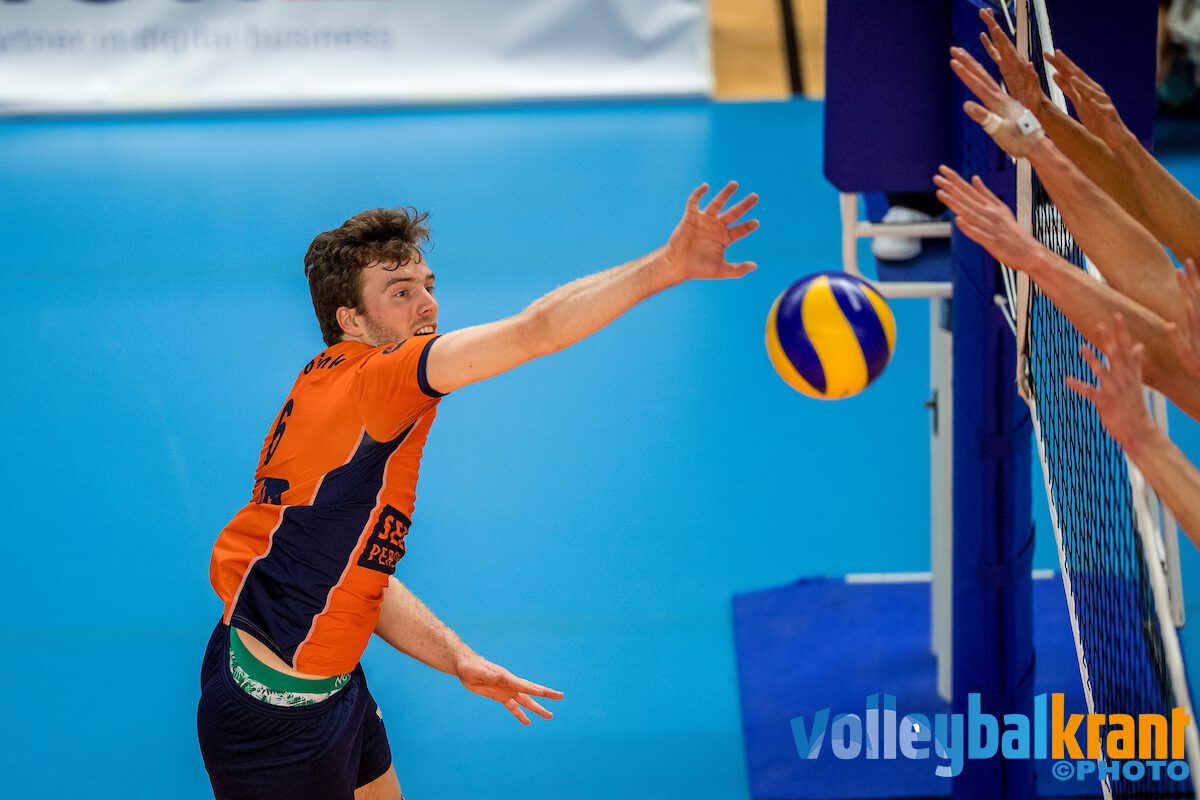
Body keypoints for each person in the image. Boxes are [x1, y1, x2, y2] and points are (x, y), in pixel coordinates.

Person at [197, 181, 760, 800]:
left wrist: (456, 657)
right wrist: (670, 264)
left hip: (323, 680)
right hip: (276, 724)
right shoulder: (381, 381)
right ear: (350, 320)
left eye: (428, 286)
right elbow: (536, 330)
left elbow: (347, 568)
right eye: (401, 293)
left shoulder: (327, 381)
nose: (427, 305)